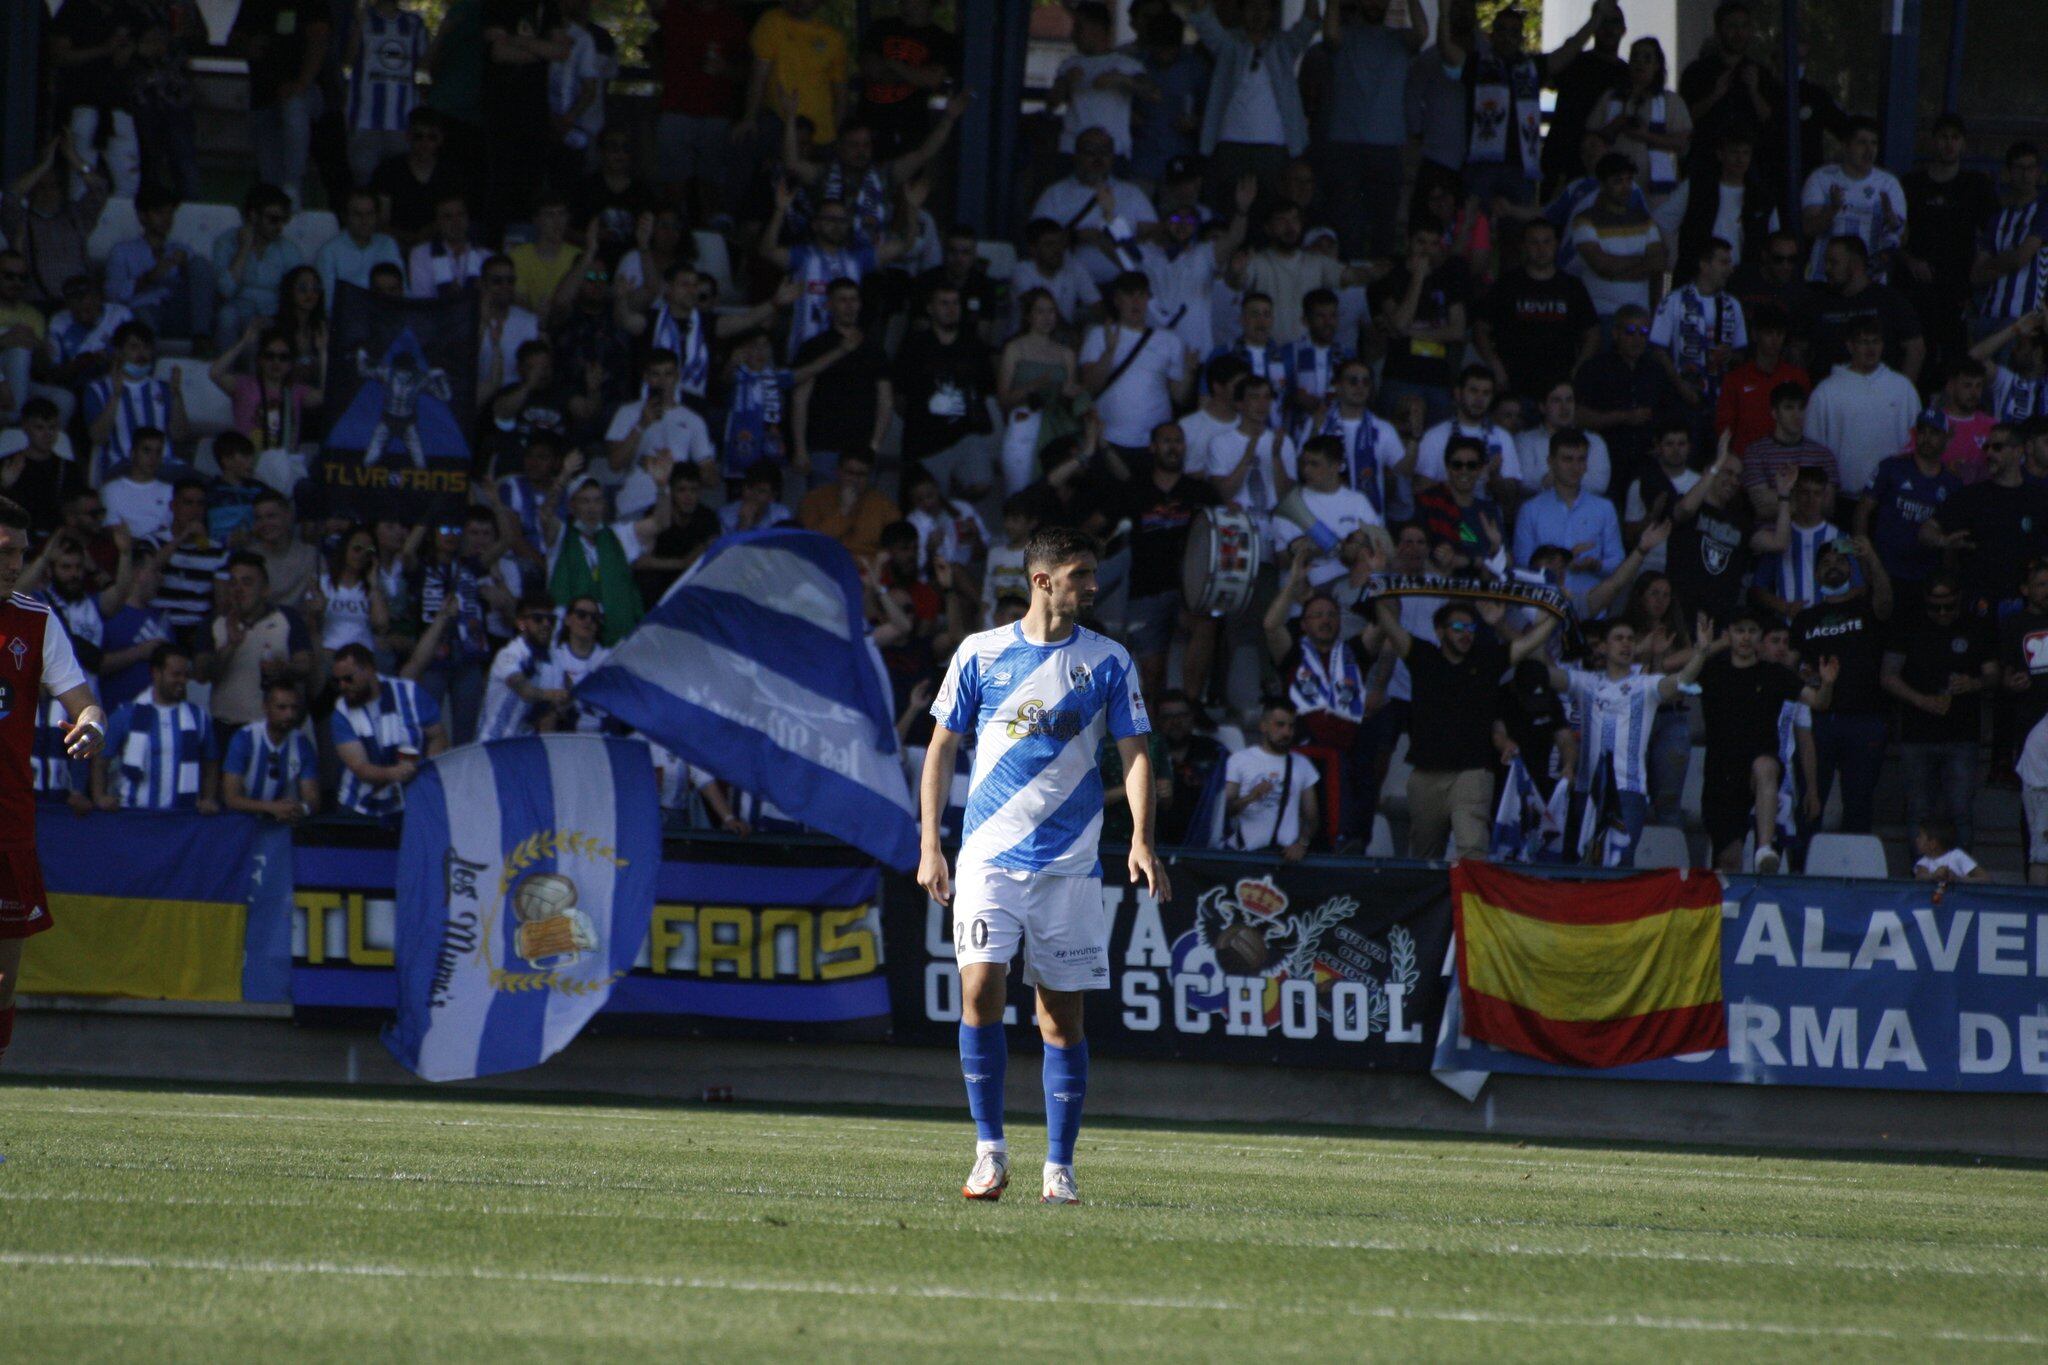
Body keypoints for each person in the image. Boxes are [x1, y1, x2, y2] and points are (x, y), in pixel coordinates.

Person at [918, 524, 1169, 1206]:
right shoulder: (980, 653)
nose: (1093, 586)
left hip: (1070, 864)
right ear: (1042, 580)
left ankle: (1058, 1165)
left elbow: (1135, 751)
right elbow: (940, 749)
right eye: (1082, 574)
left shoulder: (1109, 660)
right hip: (988, 860)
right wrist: (930, 844)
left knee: (1061, 1016)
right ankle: (989, 1152)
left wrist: (1141, 837)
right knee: (978, 993)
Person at [0, 496, 106, 1063]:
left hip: (9, 817)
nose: (14, 564)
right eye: (4, 552)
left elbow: (85, 705)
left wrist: (91, 728)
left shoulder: (36, 622)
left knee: (2, 984)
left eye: (19, 552)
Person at [1373, 595, 1557, 860]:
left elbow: (1532, 642)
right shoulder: (1422, 655)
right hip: (1426, 774)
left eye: (1471, 628)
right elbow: (1388, 623)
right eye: (1457, 628)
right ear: (1440, 631)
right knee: (1424, 858)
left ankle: (1470, 903)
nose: (1466, 634)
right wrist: (1381, 587)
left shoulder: (1488, 660)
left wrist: (1506, 621)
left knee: (1472, 849)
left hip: (1473, 772)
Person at [1539, 613, 1715, 866]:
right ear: (1604, 647)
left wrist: (1701, 652)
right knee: (1577, 865)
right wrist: (1537, 632)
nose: (1626, 644)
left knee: (1618, 866)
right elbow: (1543, 673)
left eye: (1631, 639)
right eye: (1618, 638)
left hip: (1628, 791)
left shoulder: (1646, 685)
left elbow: (1682, 681)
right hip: (1585, 791)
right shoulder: (1585, 683)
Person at [1697, 603, 1836, 874]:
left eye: (1752, 631)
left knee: (1765, 766)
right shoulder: (1712, 671)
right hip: (1720, 775)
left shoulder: (1776, 674)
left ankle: (1764, 847)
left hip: (1759, 766)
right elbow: (1676, 680)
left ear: (1759, 637)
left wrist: (1828, 683)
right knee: (1728, 861)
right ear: (1729, 635)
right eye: (1740, 631)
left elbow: (1818, 703)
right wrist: (1704, 650)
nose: (1746, 637)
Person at [1790, 535, 1893, 835]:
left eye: (1840, 561)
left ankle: (1856, 875)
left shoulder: (1866, 608)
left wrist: (1870, 555)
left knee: (1859, 803)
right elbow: (1789, 667)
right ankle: (1802, 871)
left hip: (1865, 718)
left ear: (1851, 569)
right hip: (1817, 721)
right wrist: (1804, 677)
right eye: (1825, 563)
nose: (1833, 567)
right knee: (1810, 801)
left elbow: (1886, 600)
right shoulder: (1805, 619)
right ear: (1816, 573)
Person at [1883, 574, 1993, 852]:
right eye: (1936, 607)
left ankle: (1961, 878)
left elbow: (1994, 674)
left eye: (1949, 606)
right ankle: (1921, 876)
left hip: (1962, 735)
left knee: (1961, 812)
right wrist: (1920, 700)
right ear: (1925, 602)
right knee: (1919, 812)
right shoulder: (1909, 626)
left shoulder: (1976, 626)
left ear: (1959, 600)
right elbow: (1888, 676)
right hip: (1917, 735)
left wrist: (1974, 683)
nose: (1943, 613)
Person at [1184, 0, 1324, 204]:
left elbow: (1310, 21)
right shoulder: (1228, 44)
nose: (1257, 13)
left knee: (1272, 208)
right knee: (1228, 207)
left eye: (1264, 7)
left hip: (1274, 147)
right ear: (1242, 11)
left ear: (1271, 12)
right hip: (1230, 145)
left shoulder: (1284, 45)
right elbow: (1202, 17)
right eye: (1251, 7)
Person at [1317, 0, 1425, 259]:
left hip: (1387, 147)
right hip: (1346, 144)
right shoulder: (1345, 36)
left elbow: (1422, 33)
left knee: (1384, 227)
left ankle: (1381, 290)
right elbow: (1330, 34)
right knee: (1346, 225)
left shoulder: (1400, 39)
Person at [1899, 116, 1997, 377]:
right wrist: (1909, 260)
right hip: (1917, 286)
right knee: (1920, 352)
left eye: (1955, 137)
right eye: (1943, 137)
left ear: (1963, 143)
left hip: (1958, 287)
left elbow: (1994, 232)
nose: (1949, 143)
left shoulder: (1976, 185)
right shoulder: (1911, 184)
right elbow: (1894, 235)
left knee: (1957, 357)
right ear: (1933, 141)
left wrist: (1980, 267)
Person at [1921, 425, 2048, 617]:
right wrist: (1943, 541)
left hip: (2027, 611)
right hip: (1979, 607)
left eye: (1997, 447)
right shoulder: (1971, 497)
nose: (1989, 452)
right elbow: (1926, 530)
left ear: (2018, 451)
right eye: (1986, 447)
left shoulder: (2038, 499)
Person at [1474, 218, 1599, 404]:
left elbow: (1592, 332)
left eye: (1547, 241)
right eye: (1534, 242)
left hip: (1559, 389)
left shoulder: (1572, 287)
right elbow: (1480, 328)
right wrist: (1495, 365)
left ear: (1556, 244)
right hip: (1514, 388)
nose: (1541, 249)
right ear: (1524, 245)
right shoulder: (1507, 284)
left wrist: (1578, 370)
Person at [1079, 272, 1193, 463]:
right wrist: (1109, 352)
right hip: (1107, 438)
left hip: (1154, 443)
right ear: (1117, 300)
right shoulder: (1099, 334)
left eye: (1141, 294)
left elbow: (1179, 397)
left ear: (1148, 298)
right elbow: (1090, 387)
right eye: (1129, 294)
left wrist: (1189, 371)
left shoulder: (1170, 340)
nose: (1136, 301)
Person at [329, 640, 447, 818]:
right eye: (337, 681)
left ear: (369, 670)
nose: (342, 686)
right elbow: (360, 767)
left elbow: (437, 736)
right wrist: (394, 773)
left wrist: (426, 773)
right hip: (358, 805)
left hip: (412, 801)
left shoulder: (410, 692)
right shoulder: (341, 711)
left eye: (348, 678)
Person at [93, 641, 216, 812]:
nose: (182, 681)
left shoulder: (199, 718)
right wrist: (100, 797)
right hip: (135, 817)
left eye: (186, 675)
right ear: (156, 673)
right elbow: (100, 760)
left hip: (183, 818)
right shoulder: (127, 713)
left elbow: (211, 764)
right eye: (176, 674)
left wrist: (208, 799)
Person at [1804, 319, 1920, 499]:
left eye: (1876, 342)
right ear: (1850, 346)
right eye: (1864, 342)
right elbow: (1812, 447)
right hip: (1843, 497)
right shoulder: (1825, 392)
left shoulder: (1903, 388)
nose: (1871, 348)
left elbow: (1916, 441)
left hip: (1894, 498)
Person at [791, 279, 893, 486]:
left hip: (861, 450)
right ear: (829, 304)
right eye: (842, 300)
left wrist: (874, 445)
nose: (849, 306)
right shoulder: (814, 347)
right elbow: (800, 399)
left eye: (854, 300)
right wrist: (800, 448)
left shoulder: (874, 350)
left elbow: (885, 400)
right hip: (823, 446)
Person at [1856, 411, 1965, 598]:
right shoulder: (1891, 468)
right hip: (1886, 572)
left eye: (1934, 432)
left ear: (1946, 438)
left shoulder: (1953, 484)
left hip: (1930, 578)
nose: (1927, 438)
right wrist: (1863, 564)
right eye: (1922, 431)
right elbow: (1862, 512)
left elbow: (1951, 535)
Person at [235, 0, 330, 206]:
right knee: (268, 169)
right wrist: (247, 45)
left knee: (294, 110)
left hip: (302, 91)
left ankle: (292, 189)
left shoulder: (312, 6)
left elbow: (319, 38)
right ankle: (273, 204)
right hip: (263, 93)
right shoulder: (255, 5)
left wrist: (302, 83)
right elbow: (237, 36)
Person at [1513, 429, 1622, 601]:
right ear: (1550, 462)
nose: (1575, 467)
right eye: (1567, 459)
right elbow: (1522, 564)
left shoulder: (1604, 508)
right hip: (1544, 607)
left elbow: (1617, 561)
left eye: (1581, 459)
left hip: (1590, 607)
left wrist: (1596, 565)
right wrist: (1558, 564)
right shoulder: (1530, 509)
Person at [1802, 118, 1907, 287]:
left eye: (1874, 143)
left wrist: (1890, 217)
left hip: (1870, 280)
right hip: (1824, 279)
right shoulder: (1821, 178)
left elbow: (1899, 236)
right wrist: (1833, 209)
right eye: (1862, 143)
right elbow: (1809, 228)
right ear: (1845, 146)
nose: (1869, 150)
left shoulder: (1888, 184)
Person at [1809, 234, 1924, 384]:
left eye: (1834, 263)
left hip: (1879, 395)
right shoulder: (1819, 303)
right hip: (1831, 399)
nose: (1826, 269)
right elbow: (1800, 349)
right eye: (1826, 262)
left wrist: (1901, 393)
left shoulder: (1889, 300)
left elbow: (1915, 348)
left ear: (1855, 264)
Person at [1650, 237, 1746, 417]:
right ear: (1704, 265)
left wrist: (1730, 356)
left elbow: (1741, 353)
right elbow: (1658, 351)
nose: (1730, 269)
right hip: (1681, 399)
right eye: (1723, 262)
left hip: (1722, 398)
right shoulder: (1673, 300)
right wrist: (1682, 388)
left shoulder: (1733, 305)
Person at [1567, 154, 1668, 323]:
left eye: (1629, 180)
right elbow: (1603, 266)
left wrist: (1615, 268)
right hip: (1600, 316)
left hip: (1640, 316)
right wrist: (1644, 262)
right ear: (1602, 184)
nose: (1626, 187)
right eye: (1618, 181)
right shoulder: (1584, 220)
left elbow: (1659, 265)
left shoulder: (1645, 220)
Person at [1591, 36, 1689, 208]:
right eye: (1635, 57)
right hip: (1613, 187)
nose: (1640, 63)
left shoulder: (1670, 101)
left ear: (1657, 65)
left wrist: (1646, 136)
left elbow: (1683, 142)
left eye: (1647, 58)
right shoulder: (1611, 98)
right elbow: (1592, 140)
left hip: (1657, 193)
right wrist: (1618, 123)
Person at [1222, 697, 1320, 857]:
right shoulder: (1239, 760)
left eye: (1291, 726)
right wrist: (1251, 797)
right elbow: (1224, 810)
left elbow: (1312, 816)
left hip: (1283, 859)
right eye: (1280, 725)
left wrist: (1302, 844)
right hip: (1243, 856)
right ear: (1263, 726)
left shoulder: (1302, 764)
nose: (1287, 732)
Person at [211, 183, 304, 347]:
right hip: (237, 313)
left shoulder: (289, 250)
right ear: (253, 215)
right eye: (273, 219)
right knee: (227, 316)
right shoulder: (226, 243)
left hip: (271, 318)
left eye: (284, 220)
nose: (280, 227)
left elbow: (297, 293)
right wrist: (244, 248)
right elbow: (225, 291)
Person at [1673, 132, 1780, 274]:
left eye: (1745, 153)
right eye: (1734, 152)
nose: (1740, 159)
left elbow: (1774, 240)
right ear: (1720, 154)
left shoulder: (1762, 196)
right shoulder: (1695, 188)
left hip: (1745, 278)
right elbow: (1664, 222)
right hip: (1702, 277)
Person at [1972, 141, 2048, 330]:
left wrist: (1993, 264)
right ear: (2008, 172)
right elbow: (1975, 275)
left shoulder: (2043, 211)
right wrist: (2008, 260)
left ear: (2038, 172)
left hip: (2026, 320)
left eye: (2031, 168)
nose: (2025, 174)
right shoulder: (1998, 219)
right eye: (2020, 168)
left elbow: (2020, 258)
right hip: (1990, 314)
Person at [220, 679, 320, 822]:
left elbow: (313, 799)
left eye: (294, 708)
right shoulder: (245, 738)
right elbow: (230, 798)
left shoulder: (302, 744)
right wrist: (271, 808)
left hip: (283, 825)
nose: (289, 715)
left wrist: (301, 809)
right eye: (282, 707)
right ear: (265, 707)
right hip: (241, 824)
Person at [477, 591, 569, 742]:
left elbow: (557, 706)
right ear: (521, 623)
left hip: (525, 746)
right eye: (538, 619)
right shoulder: (509, 655)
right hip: (493, 742)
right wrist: (555, 695)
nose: (546, 624)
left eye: (551, 620)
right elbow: (526, 691)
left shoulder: (555, 660)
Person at [797, 448, 900, 560]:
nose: (854, 479)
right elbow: (811, 544)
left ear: (869, 476)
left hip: (867, 570)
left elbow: (895, 548)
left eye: (861, 474)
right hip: (825, 566)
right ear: (838, 471)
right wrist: (843, 511)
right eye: (850, 472)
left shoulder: (885, 506)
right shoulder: (814, 499)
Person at [1516, 382, 1611, 498]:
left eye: (1569, 400)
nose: (1564, 407)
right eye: (1556, 401)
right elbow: (1523, 481)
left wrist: (1553, 479)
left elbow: (1598, 484)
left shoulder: (1594, 442)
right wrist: (1572, 477)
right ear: (1542, 407)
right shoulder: (1525, 440)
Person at [315, 188, 406, 306]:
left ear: (377, 215)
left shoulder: (388, 244)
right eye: (358, 214)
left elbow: (403, 290)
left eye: (370, 214)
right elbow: (328, 301)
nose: (365, 221)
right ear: (345, 216)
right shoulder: (329, 251)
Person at [1973, 311, 2048, 426]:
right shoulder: (2006, 380)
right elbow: (1973, 360)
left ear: (2038, 353)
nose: (2012, 350)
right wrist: (2014, 329)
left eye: (2020, 346)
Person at [1912, 819, 1987, 885]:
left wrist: (1958, 879)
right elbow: (1920, 877)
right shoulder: (1924, 862)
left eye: (1920, 836)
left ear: (1933, 844)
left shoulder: (1958, 855)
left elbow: (1985, 879)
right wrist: (1934, 875)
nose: (1917, 840)